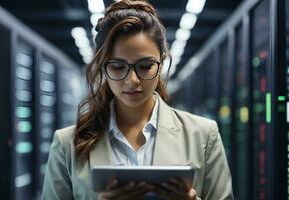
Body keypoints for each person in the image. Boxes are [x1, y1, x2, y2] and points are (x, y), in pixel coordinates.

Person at [41, 0, 233, 199]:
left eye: (145, 66)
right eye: (117, 66)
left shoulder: (203, 135)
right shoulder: (67, 144)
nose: (132, 81)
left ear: (161, 63)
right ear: (102, 67)